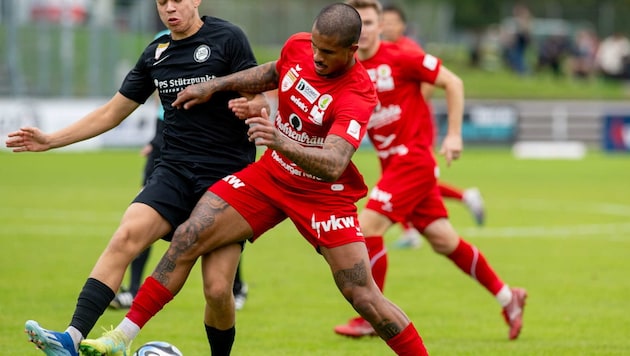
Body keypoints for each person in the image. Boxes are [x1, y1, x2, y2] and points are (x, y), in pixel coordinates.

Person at [79, 3, 429, 355]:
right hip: (271, 176)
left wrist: (279, 140)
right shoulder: (299, 47)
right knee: (188, 236)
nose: (317, 57)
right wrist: (214, 86)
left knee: (363, 296)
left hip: (322, 194)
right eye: (315, 47)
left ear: (352, 51)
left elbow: (334, 162)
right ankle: (120, 338)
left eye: (327, 52)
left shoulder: (358, 92)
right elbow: (272, 72)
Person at [7, 0, 266, 355]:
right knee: (125, 236)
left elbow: (259, 94)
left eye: (177, 0)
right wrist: (52, 140)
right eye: (162, 2)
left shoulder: (228, 37)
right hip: (173, 169)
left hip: (225, 178)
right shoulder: (156, 53)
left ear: (196, 0)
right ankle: (71, 338)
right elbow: (114, 111)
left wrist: (256, 107)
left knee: (218, 289)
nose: (170, 8)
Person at [334, 0, 527, 341]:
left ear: (382, 25)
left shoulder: (402, 56)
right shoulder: (349, 69)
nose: (363, 30)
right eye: (357, 23)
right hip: (393, 165)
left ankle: (370, 317)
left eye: (368, 22)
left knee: (366, 228)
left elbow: (453, 82)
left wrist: (453, 135)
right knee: (443, 240)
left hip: (414, 160)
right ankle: (508, 298)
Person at [109, 29, 249, 312]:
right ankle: (133, 290)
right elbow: (153, 97)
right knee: (141, 215)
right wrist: (155, 139)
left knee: (219, 223)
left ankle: (236, 285)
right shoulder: (158, 46)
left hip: (205, 146)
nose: (170, 7)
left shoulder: (217, 41)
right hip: (168, 137)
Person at [380, 3, 485, 249]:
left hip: (415, 126)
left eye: (392, 22)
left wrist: (409, 107)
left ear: (402, 26)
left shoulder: (407, 49)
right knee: (399, 179)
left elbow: (432, 81)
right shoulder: (384, 52)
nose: (387, 27)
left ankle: (414, 230)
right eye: (384, 22)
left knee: (409, 177)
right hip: (397, 129)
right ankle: (461, 200)